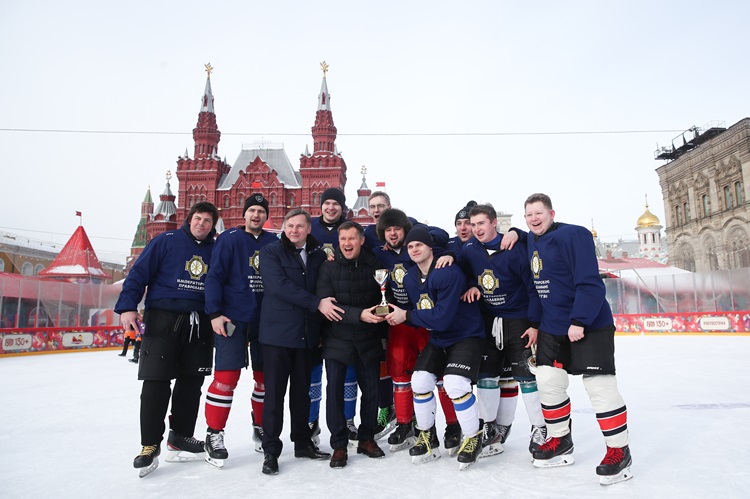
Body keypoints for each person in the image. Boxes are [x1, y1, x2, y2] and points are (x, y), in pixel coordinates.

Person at [524, 193, 633, 485]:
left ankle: (618, 451)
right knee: (548, 382)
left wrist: (579, 320)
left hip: (589, 324)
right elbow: (536, 288)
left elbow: (590, 283)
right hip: (551, 326)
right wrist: (535, 324)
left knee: (600, 387)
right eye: (528, 215)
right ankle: (560, 441)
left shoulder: (574, 235)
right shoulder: (530, 240)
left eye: (539, 213)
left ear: (551, 213)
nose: (534, 219)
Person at [114, 201, 219, 478]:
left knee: (191, 384)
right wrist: (127, 305)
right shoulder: (166, 240)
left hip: (200, 323)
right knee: (156, 383)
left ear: (213, 225)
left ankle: (181, 436)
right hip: (163, 318)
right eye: (198, 219)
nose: (202, 224)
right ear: (189, 219)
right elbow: (139, 273)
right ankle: (149, 444)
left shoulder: (216, 248)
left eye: (208, 221)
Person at [385, 226, 485, 470]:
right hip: (439, 338)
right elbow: (420, 311)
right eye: (410, 246)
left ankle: (473, 436)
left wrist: (406, 315)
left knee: (455, 384)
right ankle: (427, 436)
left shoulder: (447, 272)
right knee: (418, 381)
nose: (414, 249)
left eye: (419, 245)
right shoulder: (409, 277)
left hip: (465, 334)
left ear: (430, 248)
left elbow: (441, 318)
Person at [460, 203, 546, 459]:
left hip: (519, 322)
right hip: (488, 322)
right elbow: (460, 270)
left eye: (481, 224)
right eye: (473, 225)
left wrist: (534, 324)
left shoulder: (515, 248)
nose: (476, 229)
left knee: (526, 377)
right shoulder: (469, 249)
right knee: (487, 377)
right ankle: (487, 427)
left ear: (494, 223)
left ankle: (540, 428)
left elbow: (533, 288)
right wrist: (469, 284)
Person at [373, 209, 461, 454]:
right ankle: (406, 424)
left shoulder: (420, 247)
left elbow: (443, 239)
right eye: (388, 230)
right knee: (400, 372)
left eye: (397, 229)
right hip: (398, 321)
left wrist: (451, 254)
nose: (392, 234)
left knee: (437, 373)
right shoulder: (381, 254)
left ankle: (453, 425)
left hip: (423, 319)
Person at [258, 208, 339, 475]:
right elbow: (278, 286)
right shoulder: (271, 252)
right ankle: (270, 451)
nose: (294, 230)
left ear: (308, 229)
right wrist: (317, 304)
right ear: (284, 227)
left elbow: (325, 286)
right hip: (277, 336)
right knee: (274, 396)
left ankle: (302, 442)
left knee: (302, 394)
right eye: (290, 225)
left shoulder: (317, 256)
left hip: (306, 337)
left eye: (300, 226)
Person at [202, 193, 277, 467]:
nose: (256, 215)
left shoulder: (273, 241)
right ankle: (214, 434)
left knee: (264, 380)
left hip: (265, 322)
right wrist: (214, 313)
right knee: (225, 378)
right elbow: (214, 276)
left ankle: (260, 426)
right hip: (232, 319)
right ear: (244, 214)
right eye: (252, 211)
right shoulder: (229, 239)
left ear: (265, 215)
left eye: (260, 211)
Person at [316, 221, 388, 468]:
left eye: (352, 239)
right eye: (343, 239)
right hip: (337, 337)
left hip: (368, 337)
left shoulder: (375, 265)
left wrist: (379, 316)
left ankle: (366, 438)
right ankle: (339, 444)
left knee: (371, 391)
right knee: (334, 391)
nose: (347, 244)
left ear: (362, 240)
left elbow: (381, 298)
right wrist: (359, 314)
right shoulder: (328, 267)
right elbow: (329, 307)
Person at [309, 187, 360, 443]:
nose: (331, 208)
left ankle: (348, 420)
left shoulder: (352, 229)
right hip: (315, 308)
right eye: (327, 203)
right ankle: (311, 421)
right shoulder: (309, 229)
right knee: (314, 369)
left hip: (345, 309)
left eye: (336, 204)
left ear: (343, 206)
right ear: (321, 206)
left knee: (347, 368)